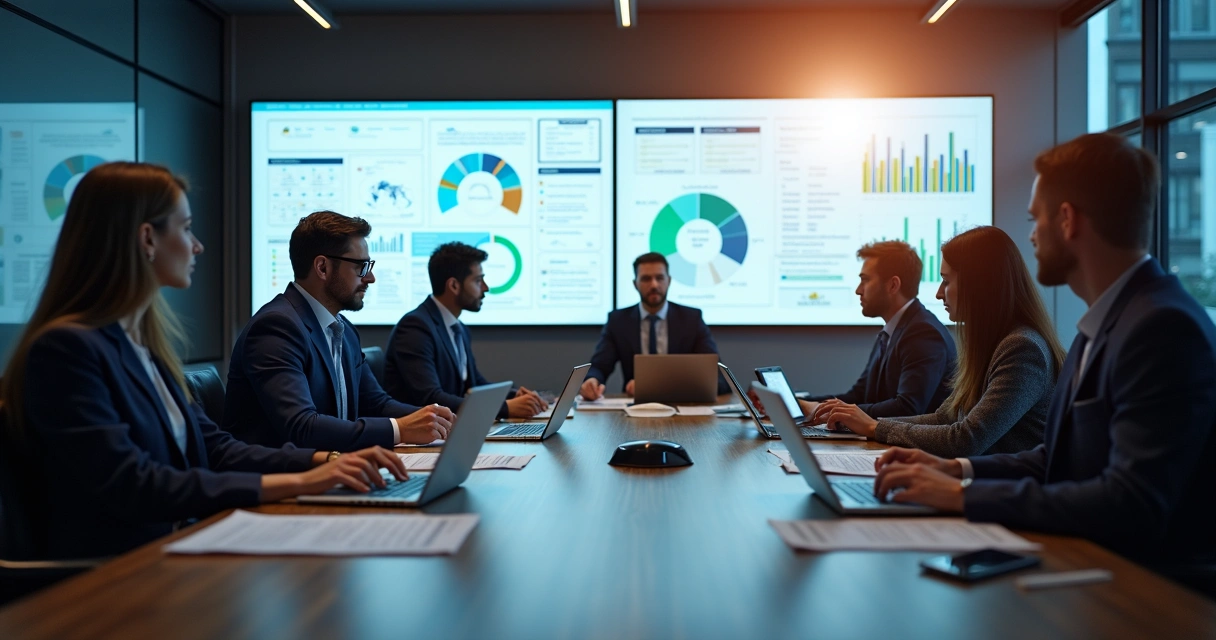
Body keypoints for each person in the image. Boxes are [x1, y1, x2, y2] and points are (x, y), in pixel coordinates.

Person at [0, 163, 408, 559]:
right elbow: (137, 485)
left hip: (178, 552)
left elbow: (217, 449)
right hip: (119, 578)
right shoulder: (66, 350)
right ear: (147, 238)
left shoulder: (141, 345)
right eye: (186, 227)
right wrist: (300, 480)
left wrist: (326, 461)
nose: (197, 245)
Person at [872, 133, 1216, 564]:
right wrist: (957, 470)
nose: (1031, 236)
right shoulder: (1104, 325)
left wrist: (968, 497)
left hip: (1144, 594)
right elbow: (1060, 459)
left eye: (1036, 219)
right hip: (1088, 561)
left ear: (1068, 220)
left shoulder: (1163, 328)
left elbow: (1130, 503)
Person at [814, 227, 1065, 458]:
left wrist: (874, 426)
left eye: (946, 280)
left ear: (979, 284)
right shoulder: (994, 345)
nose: (938, 293)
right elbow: (944, 417)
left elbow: (966, 439)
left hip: (1007, 496)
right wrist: (866, 424)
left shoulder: (1022, 349)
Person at [224, 211, 454, 451]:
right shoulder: (276, 327)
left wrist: (439, 420)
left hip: (333, 472)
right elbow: (303, 427)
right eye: (361, 267)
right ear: (322, 267)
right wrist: (399, 429)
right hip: (282, 482)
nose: (371, 278)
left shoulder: (342, 329)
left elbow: (376, 403)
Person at [751, 241, 956, 420]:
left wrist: (819, 410)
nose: (858, 290)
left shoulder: (922, 333)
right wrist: (800, 403)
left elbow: (908, 409)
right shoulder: (893, 331)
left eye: (865, 280)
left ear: (893, 285)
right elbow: (858, 396)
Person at [384, 241, 548, 419]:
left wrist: (512, 396)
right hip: (417, 441)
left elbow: (474, 384)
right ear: (454, 285)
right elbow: (430, 397)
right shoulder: (415, 327)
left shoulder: (458, 328)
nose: (485, 288)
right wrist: (504, 408)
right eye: (478, 280)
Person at [580, 252, 728, 399]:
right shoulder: (618, 321)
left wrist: (662, 387)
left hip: (682, 408)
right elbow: (599, 366)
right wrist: (591, 381)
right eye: (646, 279)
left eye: (659, 278)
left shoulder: (691, 319)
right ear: (635, 284)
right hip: (634, 410)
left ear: (668, 281)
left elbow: (720, 378)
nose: (654, 285)